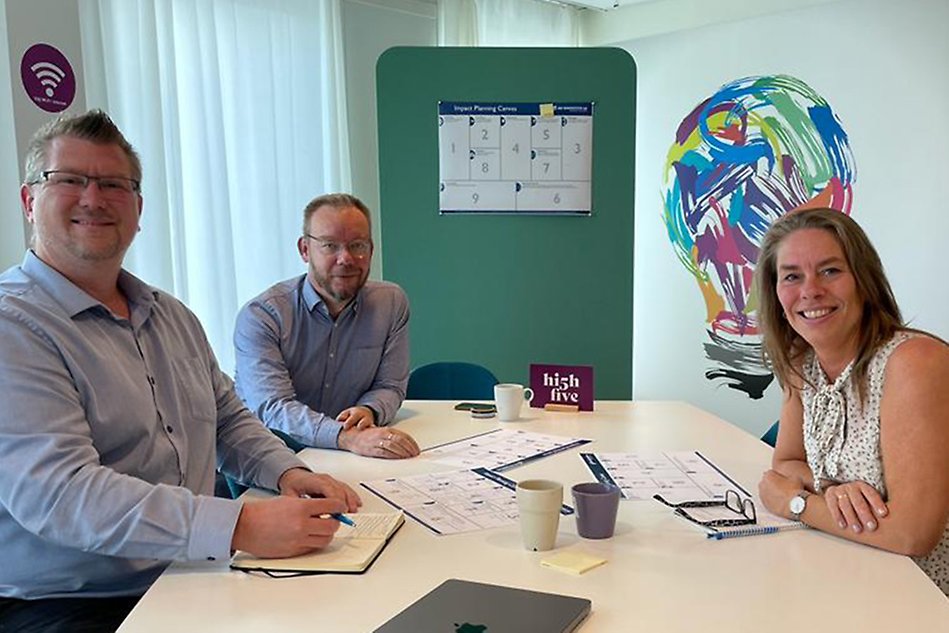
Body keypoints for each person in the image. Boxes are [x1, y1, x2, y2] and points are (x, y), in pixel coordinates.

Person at [0, 110, 361, 632]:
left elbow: (227, 418)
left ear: (139, 208)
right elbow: (62, 493)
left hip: (190, 570)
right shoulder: (15, 326)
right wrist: (237, 524)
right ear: (30, 201)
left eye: (113, 184)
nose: (93, 198)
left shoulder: (170, 315)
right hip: (69, 603)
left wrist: (290, 473)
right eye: (70, 180)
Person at [754, 207, 949, 595]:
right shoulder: (801, 360)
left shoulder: (913, 363)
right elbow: (787, 461)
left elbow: (912, 534)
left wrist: (796, 503)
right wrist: (832, 487)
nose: (810, 290)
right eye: (792, 276)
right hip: (854, 570)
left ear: (864, 280)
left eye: (830, 270)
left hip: (926, 595)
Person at [234, 193, 419, 459]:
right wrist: (346, 437)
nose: (346, 258)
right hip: (270, 457)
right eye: (330, 246)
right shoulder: (262, 316)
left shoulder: (391, 304)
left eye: (358, 245)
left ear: (371, 250)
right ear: (305, 250)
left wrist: (369, 411)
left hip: (346, 454)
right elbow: (274, 407)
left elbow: (390, 385)